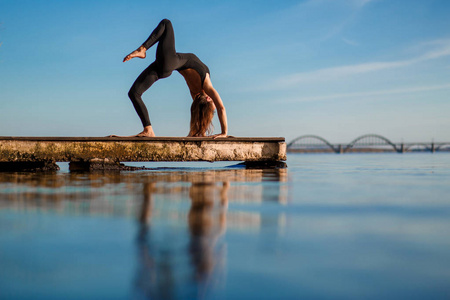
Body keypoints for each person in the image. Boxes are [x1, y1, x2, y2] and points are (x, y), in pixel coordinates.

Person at [123, 19, 228, 138]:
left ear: (209, 98)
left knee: (166, 23)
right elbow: (203, 113)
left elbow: (221, 108)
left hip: (169, 62)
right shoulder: (196, 98)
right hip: (164, 67)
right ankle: (148, 130)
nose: (214, 106)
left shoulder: (206, 86)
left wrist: (224, 133)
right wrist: (201, 132)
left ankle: (142, 49)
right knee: (134, 93)